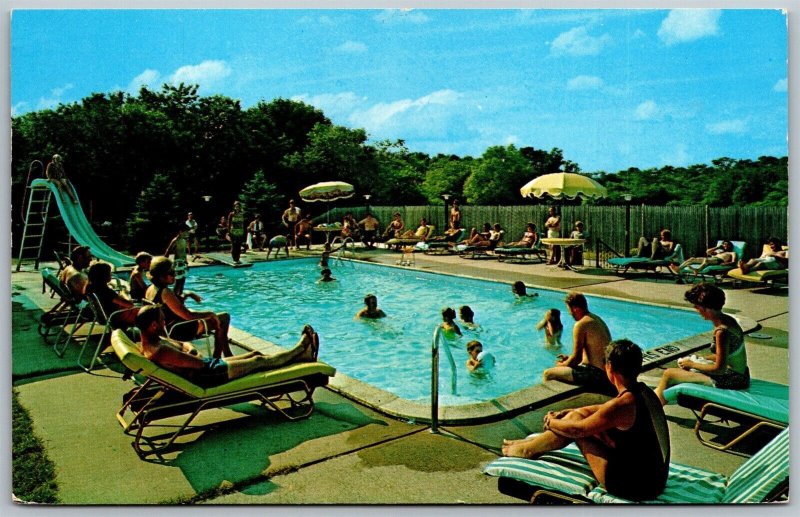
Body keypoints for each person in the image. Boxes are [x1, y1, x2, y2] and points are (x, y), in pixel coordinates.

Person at [502, 340, 670, 502]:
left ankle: (527, 450)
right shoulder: (644, 393)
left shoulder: (622, 404)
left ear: (609, 367)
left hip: (634, 487)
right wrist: (572, 411)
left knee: (574, 425)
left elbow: (578, 430)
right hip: (655, 479)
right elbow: (603, 410)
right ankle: (531, 445)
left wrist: (552, 422)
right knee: (577, 416)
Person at [135, 305, 319, 388]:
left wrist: (187, 349)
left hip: (209, 367)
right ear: (153, 325)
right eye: (162, 320)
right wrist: (189, 350)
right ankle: (301, 348)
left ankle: (304, 357)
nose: (165, 322)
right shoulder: (162, 350)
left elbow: (184, 345)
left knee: (254, 353)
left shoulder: (149, 343)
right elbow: (197, 362)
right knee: (259, 360)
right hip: (210, 375)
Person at [654, 283, 749, 404]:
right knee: (679, 372)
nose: (696, 310)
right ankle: (653, 402)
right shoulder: (729, 320)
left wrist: (692, 364)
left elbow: (719, 369)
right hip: (740, 376)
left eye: (696, 306)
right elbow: (728, 355)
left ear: (706, 308)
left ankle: (651, 411)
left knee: (669, 374)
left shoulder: (722, 331)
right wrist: (701, 359)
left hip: (731, 380)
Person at [145, 256, 233, 358]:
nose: (174, 275)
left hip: (167, 328)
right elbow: (188, 315)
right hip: (177, 330)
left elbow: (172, 307)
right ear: (161, 276)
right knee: (223, 318)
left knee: (216, 319)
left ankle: (223, 355)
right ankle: (222, 355)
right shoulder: (165, 292)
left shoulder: (150, 289)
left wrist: (189, 294)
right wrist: (210, 314)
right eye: (171, 273)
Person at [542, 292, 614, 395]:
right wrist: (568, 359)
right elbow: (591, 356)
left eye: (569, 310)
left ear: (575, 308)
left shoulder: (581, 325)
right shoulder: (595, 318)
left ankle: (549, 405)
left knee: (548, 373)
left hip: (597, 375)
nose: (570, 314)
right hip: (607, 372)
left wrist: (562, 365)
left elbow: (576, 359)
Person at [86, 262, 138, 327]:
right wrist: (124, 293)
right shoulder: (105, 291)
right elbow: (129, 304)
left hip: (103, 317)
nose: (111, 274)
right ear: (104, 275)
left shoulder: (91, 287)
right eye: (109, 273)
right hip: (115, 317)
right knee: (147, 313)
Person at [672, 240, 737, 277]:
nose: (725, 245)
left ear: (730, 246)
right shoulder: (719, 251)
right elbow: (708, 252)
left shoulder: (732, 253)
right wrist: (717, 247)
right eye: (724, 244)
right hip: (712, 259)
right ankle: (678, 268)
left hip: (719, 261)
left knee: (706, 260)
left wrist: (726, 263)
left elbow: (734, 262)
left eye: (727, 244)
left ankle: (697, 270)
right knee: (692, 259)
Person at [164, 225, 189, 296]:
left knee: (183, 281)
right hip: (178, 262)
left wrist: (186, 262)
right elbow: (168, 250)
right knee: (178, 282)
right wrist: (164, 261)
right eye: (186, 232)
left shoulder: (184, 240)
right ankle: (174, 296)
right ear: (181, 232)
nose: (187, 234)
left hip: (184, 262)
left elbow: (184, 252)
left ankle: (180, 297)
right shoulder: (175, 240)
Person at [227, 200, 246, 264]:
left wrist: (243, 231)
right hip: (233, 232)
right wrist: (229, 232)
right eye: (236, 206)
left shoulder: (242, 214)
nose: (237, 207)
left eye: (238, 206)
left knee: (239, 246)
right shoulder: (231, 214)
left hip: (240, 232)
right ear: (234, 207)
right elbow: (229, 224)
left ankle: (238, 259)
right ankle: (234, 259)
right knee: (234, 246)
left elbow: (243, 223)